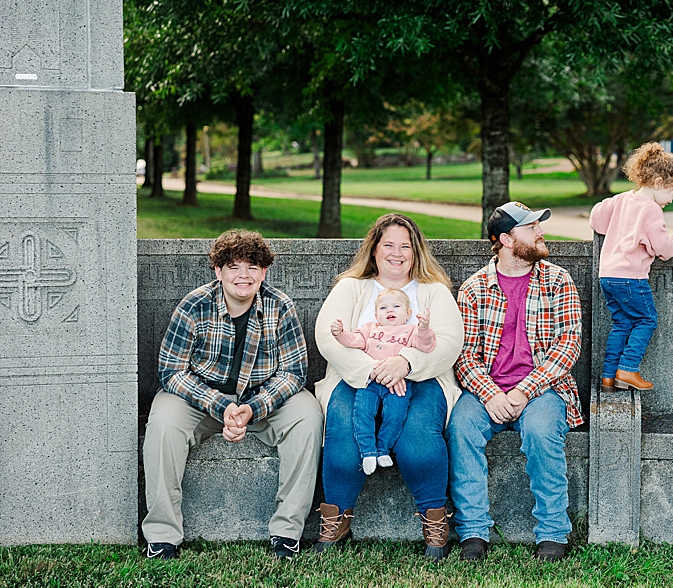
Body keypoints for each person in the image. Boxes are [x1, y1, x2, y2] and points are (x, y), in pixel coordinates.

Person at [142, 229, 323, 560]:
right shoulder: (195, 306)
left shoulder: (279, 306)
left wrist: (251, 408)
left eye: (253, 267)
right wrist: (220, 404)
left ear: (264, 272)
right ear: (218, 271)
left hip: (262, 401)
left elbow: (294, 373)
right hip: (201, 400)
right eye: (234, 266)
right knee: (163, 421)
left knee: (308, 414)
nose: (244, 275)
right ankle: (163, 535)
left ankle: (286, 532)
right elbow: (171, 372)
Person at [313, 213, 464, 560]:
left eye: (405, 247)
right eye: (389, 245)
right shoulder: (351, 287)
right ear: (374, 249)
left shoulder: (433, 292)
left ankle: (435, 522)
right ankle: (336, 520)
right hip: (356, 378)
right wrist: (372, 371)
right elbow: (328, 335)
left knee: (417, 441)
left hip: (421, 379)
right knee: (344, 433)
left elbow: (449, 341)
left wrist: (405, 363)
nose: (397, 253)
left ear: (417, 252)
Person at [447, 201, 583, 563]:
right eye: (531, 227)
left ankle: (553, 533)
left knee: (540, 433)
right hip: (485, 390)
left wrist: (525, 390)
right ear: (506, 239)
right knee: (460, 428)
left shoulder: (558, 280)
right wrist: (490, 394)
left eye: (539, 225)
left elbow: (569, 344)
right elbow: (463, 355)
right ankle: (473, 532)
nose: (541, 232)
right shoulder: (475, 288)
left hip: (543, 390)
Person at [589, 142, 673, 392]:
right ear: (657, 183)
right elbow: (663, 248)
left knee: (622, 323)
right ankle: (628, 369)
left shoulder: (623, 200)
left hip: (608, 276)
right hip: (631, 278)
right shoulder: (651, 210)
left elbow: (596, 219)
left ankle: (609, 376)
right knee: (646, 320)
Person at [330, 288, 436, 475]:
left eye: (396, 306)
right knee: (362, 412)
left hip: (397, 383)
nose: (390, 310)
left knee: (395, 415)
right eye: (384, 307)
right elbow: (353, 341)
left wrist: (424, 327)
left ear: (408, 313)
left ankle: (382, 449)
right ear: (376, 314)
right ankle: (367, 451)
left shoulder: (411, 330)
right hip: (370, 382)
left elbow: (426, 346)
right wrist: (340, 333)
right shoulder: (370, 329)